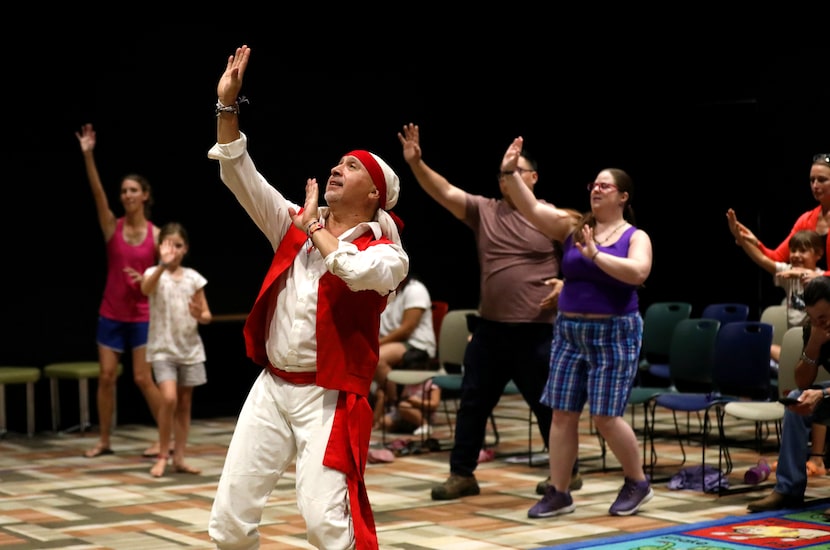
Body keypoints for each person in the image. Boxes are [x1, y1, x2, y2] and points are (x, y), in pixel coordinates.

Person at [206, 45, 409, 550]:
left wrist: (315, 227)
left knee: (325, 525)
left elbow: (354, 270)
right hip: (273, 386)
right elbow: (240, 175)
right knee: (229, 520)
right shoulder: (297, 222)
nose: (337, 168)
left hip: (328, 396)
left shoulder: (387, 254)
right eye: (337, 162)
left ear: (375, 194)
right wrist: (227, 108)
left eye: (352, 167)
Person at [397, 123, 580, 501]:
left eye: (514, 171)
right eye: (501, 174)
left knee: (549, 407)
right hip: (491, 331)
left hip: (537, 331)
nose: (505, 179)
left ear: (533, 177)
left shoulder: (553, 217)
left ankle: (565, 474)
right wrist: (416, 164)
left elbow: (586, 266)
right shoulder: (485, 211)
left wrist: (568, 287)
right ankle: (462, 474)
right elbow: (443, 190)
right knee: (472, 403)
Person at [498, 136, 654, 518]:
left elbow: (637, 273)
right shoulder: (572, 225)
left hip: (615, 332)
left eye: (606, 186)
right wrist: (510, 171)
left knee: (604, 416)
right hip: (570, 331)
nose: (597, 190)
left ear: (623, 197)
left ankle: (637, 481)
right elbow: (531, 207)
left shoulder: (635, 237)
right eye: (594, 185)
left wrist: (597, 255)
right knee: (563, 412)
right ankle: (559, 491)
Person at [75, 122, 164, 459]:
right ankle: (104, 440)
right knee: (107, 376)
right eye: (123, 191)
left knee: (143, 378)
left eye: (132, 190)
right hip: (111, 312)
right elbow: (97, 192)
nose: (126, 195)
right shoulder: (112, 226)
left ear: (145, 196)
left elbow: (167, 273)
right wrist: (88, 156)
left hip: (141, 314)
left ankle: (165, 438)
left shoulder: (156, 235)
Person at [731, 228, 828, 475]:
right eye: (792, 250)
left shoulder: (820, 279)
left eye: (802, 250)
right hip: (803, 343)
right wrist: (744, 241)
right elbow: (765, 261)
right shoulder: (791, 280)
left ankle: (817, 457)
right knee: (798, 392)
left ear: (818, 254)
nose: (795, 255)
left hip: (822, 356)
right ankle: (790, 475)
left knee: (817, 395)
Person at [747, 276, 830, 514]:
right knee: (797, 398)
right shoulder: (814, 329)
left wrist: (823, 393)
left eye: (823, 318)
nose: (819, 324)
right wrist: (813, 343)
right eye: (814, 319)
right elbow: (803, 381)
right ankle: (788, 489)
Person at [140, 222, 211, 478]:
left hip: (189, 350)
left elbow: (206, 315)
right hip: (162, 350)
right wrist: (161, 264)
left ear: (185, 249)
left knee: (184, 404)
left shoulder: (193, 278)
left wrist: (198, 314)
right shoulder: (153, 273)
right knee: (168, 398)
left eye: (177, 245)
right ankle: (162, 454)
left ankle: (179, 457)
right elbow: (145, 288)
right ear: (160, 248)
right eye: (167, 245)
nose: (172, 250)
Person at [727, 153, 830, 275]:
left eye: (822, 180)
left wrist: (819, 276)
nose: (815, 185)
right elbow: (776, 258)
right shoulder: (806, 220)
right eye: (812, 180)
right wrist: (754, 242)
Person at [373, 274, 437, 430]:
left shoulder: (415, 290)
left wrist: (375, 344)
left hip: (417, 343)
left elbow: (406, 329)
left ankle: (397, 404)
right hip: (395, 343)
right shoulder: (385, 291)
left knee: (377, 358)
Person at [373, 351, 442, 434]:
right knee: (385, 422)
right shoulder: (408, 383)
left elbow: (434, 404)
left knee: (403, 406)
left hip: (423, 413)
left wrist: (418, 403)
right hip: (404, 413)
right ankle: (407, 427)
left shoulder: (431, 383)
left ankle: (424, 424)